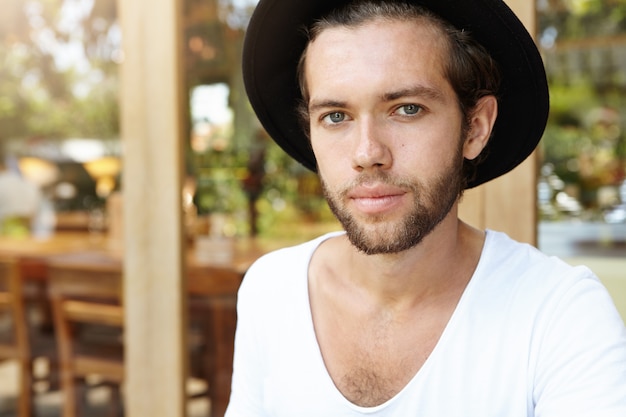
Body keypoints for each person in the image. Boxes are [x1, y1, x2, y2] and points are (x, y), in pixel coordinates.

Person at [226, 0, 626, 415]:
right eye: (336, 116)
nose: (367, 153)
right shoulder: (272, 290)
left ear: (475, 127)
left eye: (407, 109)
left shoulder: (560, 318)